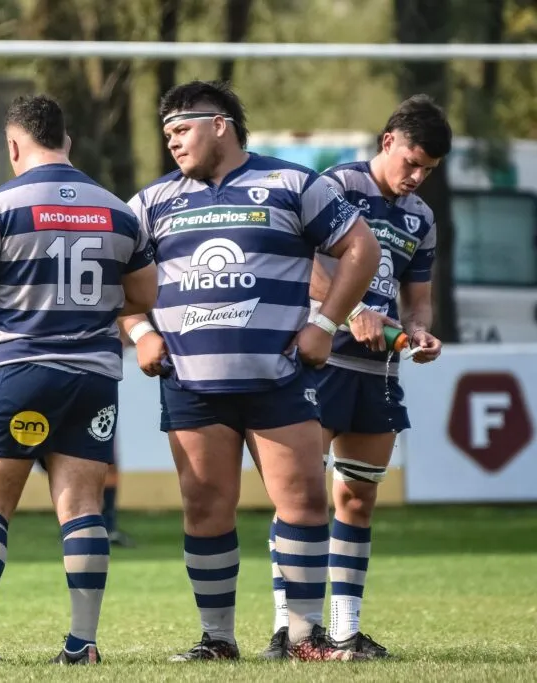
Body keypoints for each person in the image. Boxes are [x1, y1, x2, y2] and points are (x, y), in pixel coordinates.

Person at [119, 80, 381, 662]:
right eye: (166, 134)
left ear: (221, 124)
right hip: (191, 383)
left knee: (306, 504)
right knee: (206, 509)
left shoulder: (292, 184)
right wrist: (140, 333)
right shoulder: (151, 202)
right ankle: (217, 640)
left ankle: (303, 638)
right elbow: (117, 279)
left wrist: (326, 323)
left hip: (280, 379)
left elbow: (361, 249)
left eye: (181, 129)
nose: (172, 142)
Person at [0, 93, 158, 666]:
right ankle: (82, 643)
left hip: (18, 370)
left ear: (14, 144)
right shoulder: (117, 209)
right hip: (92, 378)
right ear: (68, 142)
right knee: (83, 505)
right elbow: (145, 296)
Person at [262, 94, 449, 660]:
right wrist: (348, 310)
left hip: (378, 372)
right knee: (301, 499)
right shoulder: (336, 187)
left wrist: (419, 331)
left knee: (358, 499)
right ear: (388, 140)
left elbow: (418, 299)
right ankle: (288, 630)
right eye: (411, 162)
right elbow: (308, 266)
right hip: (322, 363)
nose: (416, 177)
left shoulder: (421, 217)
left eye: (428, 171)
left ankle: (344, 632)